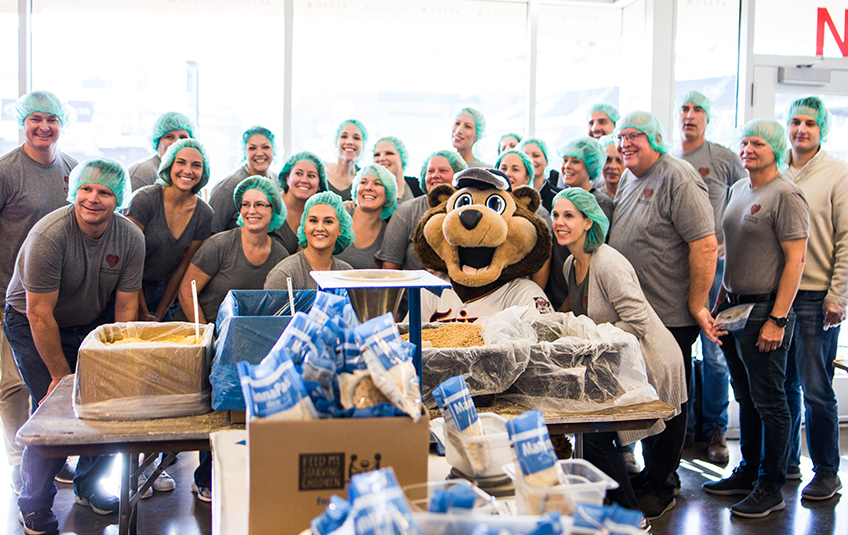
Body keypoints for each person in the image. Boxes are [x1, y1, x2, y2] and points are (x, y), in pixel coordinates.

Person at [5, 158, 144, 533]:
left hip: (88, 321)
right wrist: (58, 376)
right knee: (54, 412)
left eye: (104, 192)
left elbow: (126, 306)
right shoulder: (49, 235)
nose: (93, 199)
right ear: (74, 191)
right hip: (31, 321)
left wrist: (115, 363)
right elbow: (38, 313)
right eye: (86, 189)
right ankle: (32, 503)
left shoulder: (130, 237)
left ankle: (89, 487)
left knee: (105, 400)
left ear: (120, 199)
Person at [608, 111, 718, 517]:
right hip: (638, 313)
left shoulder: (678, 176)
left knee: (670, 398)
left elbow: (705, 245)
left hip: (670, 314)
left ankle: (664, 482)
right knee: (646, 395)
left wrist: (696, 304)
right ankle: (652, 473)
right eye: (621, 137)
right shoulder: (630, 178)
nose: (626, 144)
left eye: (634, 136)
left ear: (655, 138)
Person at [554, 188, 685, 526]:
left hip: (650, 358)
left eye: (569, 216)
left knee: (597, 437)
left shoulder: (608, 263)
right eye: (556, 215)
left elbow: (638, 321)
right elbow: (580, 309)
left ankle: (630, 518)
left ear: (588, 222)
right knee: (595, 436)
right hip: (619, 362)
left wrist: (590, 336)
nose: (559, 222)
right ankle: (619, 511)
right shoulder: (572, 262)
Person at [703, 119, 809, 519]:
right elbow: (733, 252)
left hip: (765, 309)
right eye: (744, 142)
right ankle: (748, 472)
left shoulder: (786, 195)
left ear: (777, 149)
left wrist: (778, 319)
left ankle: (771, 485)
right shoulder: (737, 189)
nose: (748, 148)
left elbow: (795, 261)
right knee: (745, 397)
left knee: (771, 402)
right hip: (733, 307)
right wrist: (718, 304)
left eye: (758, 143)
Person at [176, 176, 288, 502]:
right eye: (246, 205)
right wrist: (205, 334)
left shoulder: (279, 252)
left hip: (255, 344)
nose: (252, 211)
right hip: (216, 338)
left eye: (260, 204)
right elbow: (188, 289)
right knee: (217, 413)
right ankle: (205, 477)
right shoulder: (220, 245)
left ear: (273, 211)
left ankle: (244, 474)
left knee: (246, 414)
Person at [0, 91, 77, 495]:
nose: (44, 127)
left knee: (51, 380)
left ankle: (50, 454)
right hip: (9, 295)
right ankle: (18, 460)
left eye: (52, 119)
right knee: (15, 383)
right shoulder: (7, 171)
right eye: (35, 119)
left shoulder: (71, 168)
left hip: (53, 296)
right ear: (22, 123)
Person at [670, 91, 746, 464]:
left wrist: (726, 246)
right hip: (676, 273)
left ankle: (715, 429)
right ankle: (682, 428)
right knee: (678, 352)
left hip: (714, 272)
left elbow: (748, 199)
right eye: (684, 109)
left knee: (714, 354)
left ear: (707, 118)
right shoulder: (668, 159)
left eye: (697, 109)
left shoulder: (723, 158)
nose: (689, 115)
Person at [781, 96, 847, 500]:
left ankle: (826, 470)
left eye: (810, 123)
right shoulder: (777, 172)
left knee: (816, 388)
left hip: (815, 296)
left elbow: (846, 239)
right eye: (795, 122)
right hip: (777, 299)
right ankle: (787, 462)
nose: (801, 129)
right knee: (782, 385)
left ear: (822, 129)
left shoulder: (837, 174)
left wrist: (838, 294)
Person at [126, 138, 213, 323]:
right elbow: (130, 260)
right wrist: (142, 311)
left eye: (196, 165)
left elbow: (181, 269)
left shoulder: (204, 214)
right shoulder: (145, 200)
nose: (187, 170)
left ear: (203, 172)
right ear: (168, 165)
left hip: (163, 292)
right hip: (126, 287)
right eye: (181, 162)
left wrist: (159, 314)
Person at [376, 150, 468, 272]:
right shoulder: (407, 211)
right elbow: (389, 267)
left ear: (458, 176)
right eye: (430, 171)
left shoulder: (467, 209)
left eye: (443, 171)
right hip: (414, 289)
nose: (435, 175)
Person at [265, 191, 354, 290]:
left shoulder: (347, 274)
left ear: (341, 229)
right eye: (313, 221)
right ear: (304, 227)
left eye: (328, 221)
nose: (320, 228)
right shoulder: (284, 274)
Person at [208, 125, 277, 233]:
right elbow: (211, 231)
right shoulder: (228, 187)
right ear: (244, 152)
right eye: (252, 148)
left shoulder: (277, 182)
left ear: (274, 150)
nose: (259, 153)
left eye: (265, 147)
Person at [334, 164, 396, 270]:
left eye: (377, 183)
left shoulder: (389, 235)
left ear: (388, 194)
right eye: (363, 182)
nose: (368, 188)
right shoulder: (337, 218)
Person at [275, 152, 330, 255]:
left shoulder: (321, 214)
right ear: (287, 177)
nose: (304, 180)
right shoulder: (270, 205)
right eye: (299, 173)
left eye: (311, 176)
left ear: (319, 185)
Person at [127, 112, 195, 191]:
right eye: (169, 137)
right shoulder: (143, 173)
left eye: (183, 137)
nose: (177, 142)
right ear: (157, 143)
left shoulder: (190, 175)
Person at [326, 119, 368, 201]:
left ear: (363, 144)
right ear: (336, 141)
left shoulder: (365, 178)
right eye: (344, 136)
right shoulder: (320, 171)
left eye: (356, 138)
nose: (349, 142)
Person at [373, 136, 422, 202]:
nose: (381, 158)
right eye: (377, 154)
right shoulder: (369, 190)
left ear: (402, 158)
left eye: (389, 153)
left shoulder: (418, 186)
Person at [518, 137, 560, 211]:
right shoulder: (514, 196)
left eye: (536, 155)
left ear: (546, 161)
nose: (530, 160)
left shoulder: (558, 196)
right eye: (525, 156)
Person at [600, 134, 624, 199]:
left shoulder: (632, 198)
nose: (613, 166)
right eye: (607, 160)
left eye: (619, 160)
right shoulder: (595, 199)